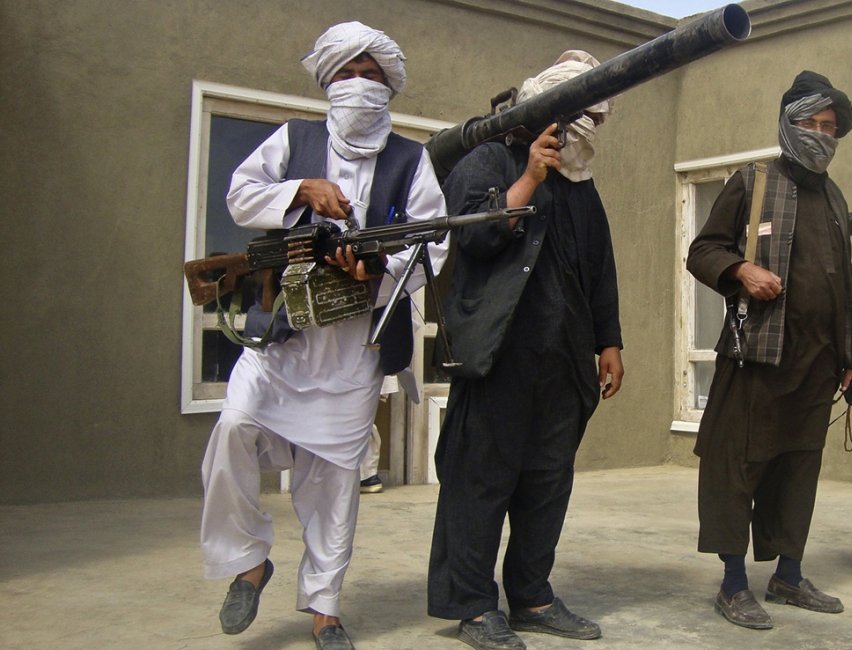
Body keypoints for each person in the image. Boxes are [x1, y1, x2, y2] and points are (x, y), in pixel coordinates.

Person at [198, 22, 447, 650]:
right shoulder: (295, 139)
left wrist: (378, 269)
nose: (360, 86)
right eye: (347, 74)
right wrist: (299, 191)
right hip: (282, 340)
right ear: (327, 82)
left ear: (389, 86)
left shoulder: (411, 159)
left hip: (353, 351)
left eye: (372, 76)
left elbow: (434, 243)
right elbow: (239, 195)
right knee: (232, 431)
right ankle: (249, 561)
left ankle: (325, 610)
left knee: (335, 482)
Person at [426, 50, 623, 650]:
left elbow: (599, 267)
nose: (589, 128)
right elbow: (474, 236)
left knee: (546, 480)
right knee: (481, 478)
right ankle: (474, 605)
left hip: (561, 360)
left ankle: (533, 595)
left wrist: (608, 341)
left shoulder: (582, 184)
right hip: (499, 354)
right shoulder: (487, 157)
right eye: (580, 113)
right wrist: (529, 178)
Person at [686, 70, 852, 630]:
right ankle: (734, 583)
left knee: (797, 469)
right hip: (756, 357)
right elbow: (703, 250)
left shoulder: (834, 196)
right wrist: (740, 269)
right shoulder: (754, 180)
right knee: (738, 466)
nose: (819, 134)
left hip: (817, 365)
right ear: (787, 123)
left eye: (829, 126)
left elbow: (846, 281)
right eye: (809, 122)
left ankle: (788, 573)